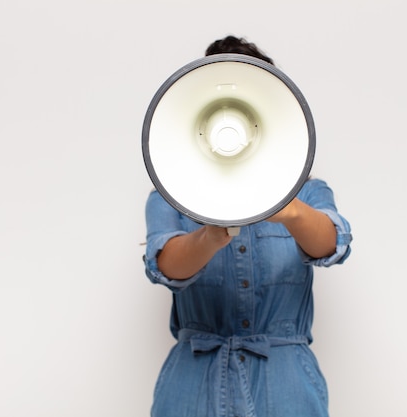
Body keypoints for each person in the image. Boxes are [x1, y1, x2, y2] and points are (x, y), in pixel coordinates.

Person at [143, 35, 353, 417]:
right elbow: (165, 266)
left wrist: (288, 211)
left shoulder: (308, 192)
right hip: (193, 383)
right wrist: (209, 236)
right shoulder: (169, 194)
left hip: (285, 383)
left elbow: (332, 245)